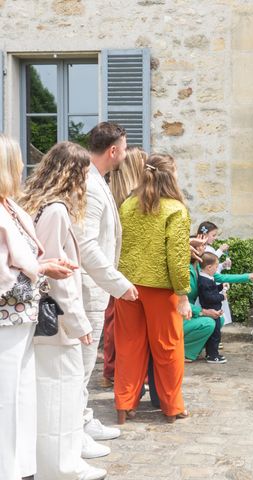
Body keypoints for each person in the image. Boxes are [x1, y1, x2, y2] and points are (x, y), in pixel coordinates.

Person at [21, 142, 107, 480]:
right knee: (62, 393)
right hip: (57, 322)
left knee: (52, 393)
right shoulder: (56, 211)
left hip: (46, 320)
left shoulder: (37, 205)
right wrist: (77, 321)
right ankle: (63, 468)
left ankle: (58, 464)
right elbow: (60, 276)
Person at [0, 134, 76, 480]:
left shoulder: (10, 207)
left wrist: (44, 265)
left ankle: (20, 469)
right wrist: (43, 268)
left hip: (21, 319)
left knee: (21, 395)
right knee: (6, 398)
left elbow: (26, 260)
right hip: (7, 319)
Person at [73, 122, 138, 458]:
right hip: (88, 289)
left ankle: (82, 420)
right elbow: (86, 244)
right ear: (113, 150)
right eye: (124, 148)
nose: (126, 154)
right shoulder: (93, 186)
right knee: (81, 366)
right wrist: (118, 284)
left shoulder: (96, 181)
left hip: (95, 288)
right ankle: (73, 435)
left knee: (85, 367)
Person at [115, 153, 192, 424]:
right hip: (160, 289)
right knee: (168, 347)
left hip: (127, 286)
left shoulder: (127, 205)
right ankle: (172, 406)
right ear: (171, 175)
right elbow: (178, 255)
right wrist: (183, 293)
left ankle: (124, 404)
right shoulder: (175, 209)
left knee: (128, 346)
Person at [102, 146, 147, 389]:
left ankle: (110, 369)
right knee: (129, 325)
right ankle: (127, 373)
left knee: (111, 321)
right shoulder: (134, 200)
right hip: (129, 268)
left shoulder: (111, 192)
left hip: (112, 266)